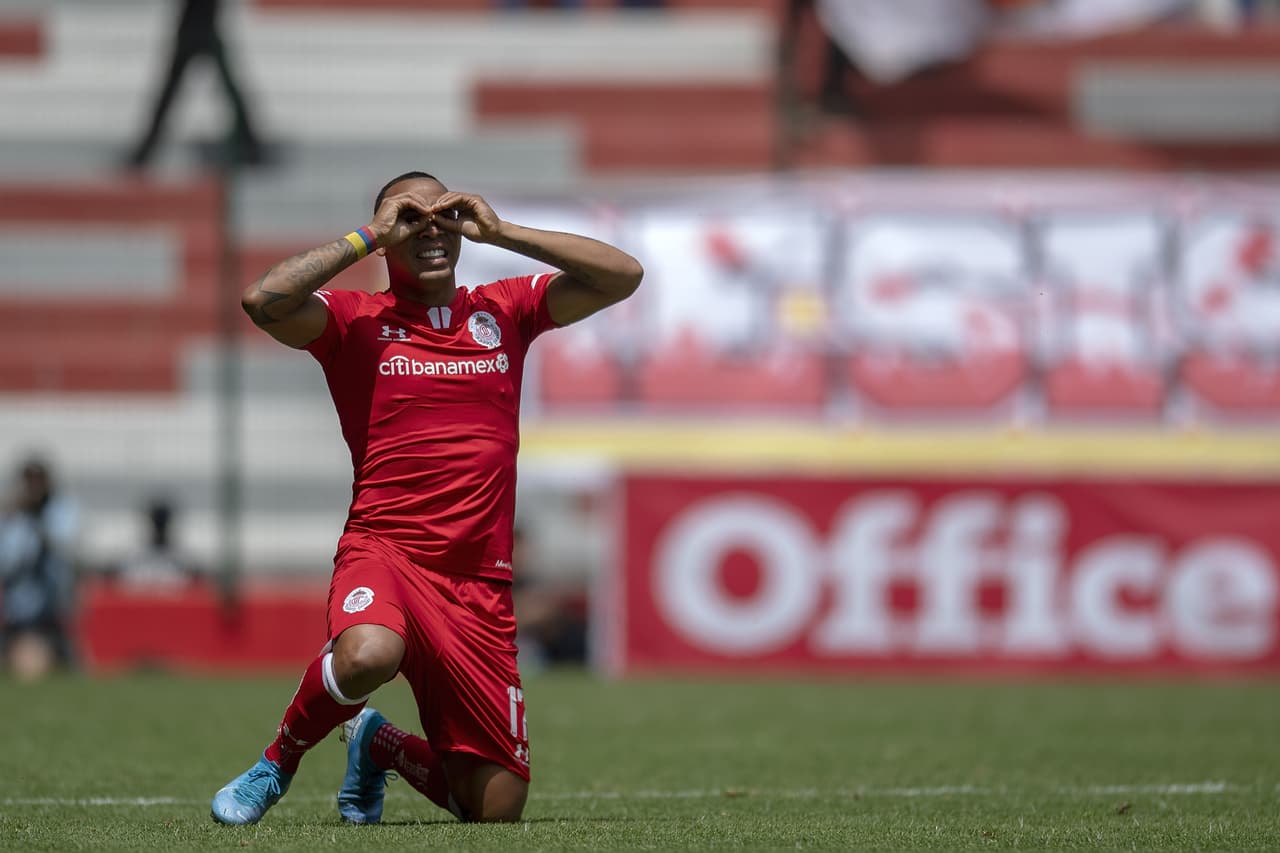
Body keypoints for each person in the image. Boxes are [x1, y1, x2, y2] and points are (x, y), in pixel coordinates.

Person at [209, 171, 643, 826]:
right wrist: (366, 236)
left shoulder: (505, 308)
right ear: (386, 237)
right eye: (409, 219)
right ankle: (276, 763)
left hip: (478, 585)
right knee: (367, 655)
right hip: (387, 552)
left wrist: (502, 231)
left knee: (495, 806)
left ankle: (375, 743)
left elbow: (622, 275)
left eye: (443, 215)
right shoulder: (355, 321)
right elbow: (262, 299)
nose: (430, 229)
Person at [125, 0, 267, 169]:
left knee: (171, 93)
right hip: (201, 25)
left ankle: (145, 152)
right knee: (225, 90)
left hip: (199, 26)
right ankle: (250, 147)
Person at [0, 456, 82, 681]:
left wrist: (38, 522)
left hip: (53, 611)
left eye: (38, 480)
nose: (34, 487)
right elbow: (7, 563)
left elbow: (66, 548)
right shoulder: (11, 517)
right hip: (18, 611)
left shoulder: (62, 510)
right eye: (29, 481)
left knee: (71, 672)